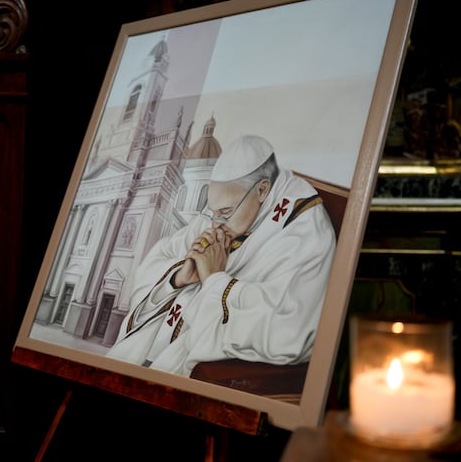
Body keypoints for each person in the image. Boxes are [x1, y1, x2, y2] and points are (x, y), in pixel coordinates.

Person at [106, 134, 337, 377]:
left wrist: (215, 280)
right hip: (156, 351)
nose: (216, 222)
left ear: (262, 189)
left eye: (226, 212)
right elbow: (157, 260)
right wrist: (178, 279)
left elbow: (288, 330)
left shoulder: (302, 230)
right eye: (214, 211)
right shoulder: (218, 211)